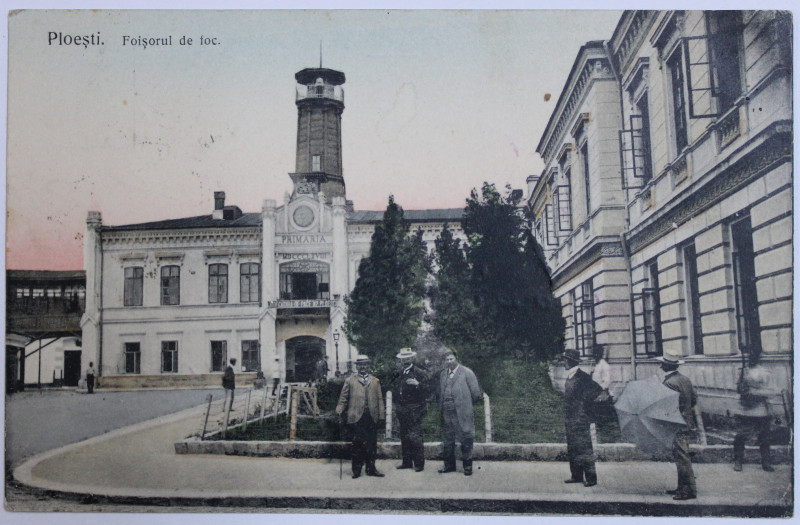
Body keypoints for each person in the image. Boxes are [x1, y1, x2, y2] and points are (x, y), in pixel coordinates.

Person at [335, 354, 385, 479]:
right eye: (360, 365)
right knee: (357, 444)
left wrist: (381, 416)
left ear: (369, 366)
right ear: (357, 367)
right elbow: (343, 398)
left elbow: (380, 400)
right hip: (356, 416)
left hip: (371, 417)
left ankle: (371, 468)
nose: (363, 367)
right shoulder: (350, 380)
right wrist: (339, 411)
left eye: (365, 365)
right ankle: (356, 470)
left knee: (371, 444)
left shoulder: (375, 381)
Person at [658, 351, 697, 501]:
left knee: (682, 458)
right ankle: (682, 487)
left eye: (662, 364)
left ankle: (688, 491)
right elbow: (693, 400)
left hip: (676, 424)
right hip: (686, 422)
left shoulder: (669, 383)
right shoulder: (684, 379)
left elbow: (668, 406)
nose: (660, 366)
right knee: (682, 456)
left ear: (667, 366)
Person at [437, 349, 482, 476]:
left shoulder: (467, 373)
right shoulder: (443, 374)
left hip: (462, 412)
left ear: (456, 359)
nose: (449, 361)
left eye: (451, 359)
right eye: (447, 360)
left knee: (466, 437)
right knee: (448, 439)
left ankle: (467, 467)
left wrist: (465, 405)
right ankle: (449, 466)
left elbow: (476, 394)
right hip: (447, 412)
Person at [562, 349, 603, 487]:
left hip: (580, 419)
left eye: (565, 360)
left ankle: (591, 478)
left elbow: (597, 390)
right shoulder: (570, 376)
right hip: (570, 419)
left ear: (570, 361)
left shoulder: (583, 377)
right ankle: (577, 475)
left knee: (584, 449)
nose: (563, 363)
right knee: (573, 448)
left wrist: (583, 404)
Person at [733, 353, 776, 472]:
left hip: (761, 410)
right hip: (744, 410)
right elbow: (738, 389)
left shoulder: (764, 373)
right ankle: (738, 461)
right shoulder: (742, 371)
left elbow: (771, 392)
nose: (750, 359)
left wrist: (754, 392)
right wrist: (742, 392)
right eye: (749, 357)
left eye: (753, 356)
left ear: (758, 358)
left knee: (764, 438)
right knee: (740, 436)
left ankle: (766, 462)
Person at [391, 348, 429, 472]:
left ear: (412, 358)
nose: (405, 360)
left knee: (415, 436)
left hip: (415, 409)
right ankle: (406, 462)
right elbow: (395, 389)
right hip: (402, 409)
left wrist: (418, 384)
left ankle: (419, 463)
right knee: (404, 435)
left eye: (407, 358)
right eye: (403, 358)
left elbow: (429, 390)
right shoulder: (399, 373)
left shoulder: (419, 373)